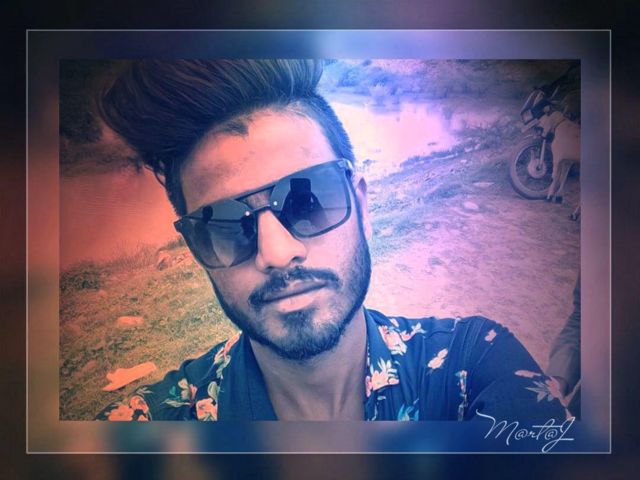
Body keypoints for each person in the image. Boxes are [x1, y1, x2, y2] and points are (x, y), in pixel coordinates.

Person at [95, 60, 568, 422]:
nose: (277, 253)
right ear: (198, 251)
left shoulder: (474, 367)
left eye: (307, 201)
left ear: (361, 203)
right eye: (225, 224)